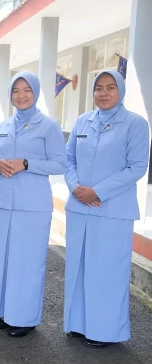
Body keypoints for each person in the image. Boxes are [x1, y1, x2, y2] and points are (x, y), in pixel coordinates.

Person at [64, 70, 149, 347]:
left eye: (110, 87)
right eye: (98, 88)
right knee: (80, 267)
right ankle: (78, 324)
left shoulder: (135, 124)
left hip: (112, 211)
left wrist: (97, 192)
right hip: (80, 207)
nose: (103, 93)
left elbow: (137, 167)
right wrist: (77, 187)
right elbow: (68, 160)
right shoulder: (82, 121)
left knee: (107, 271)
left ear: (120, 90)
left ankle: (105, 331)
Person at [0, 71, 67, 337]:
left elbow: (61, 163)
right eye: (15, 91)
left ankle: (24, 318)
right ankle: (1, 312)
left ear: (35, 93)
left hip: (33, 206)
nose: (21, 96)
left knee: (29, 262)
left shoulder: (48, 126)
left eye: (27, 90)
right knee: (5, 260)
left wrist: (27, 163)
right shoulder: (3, 126)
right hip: (5, 203)